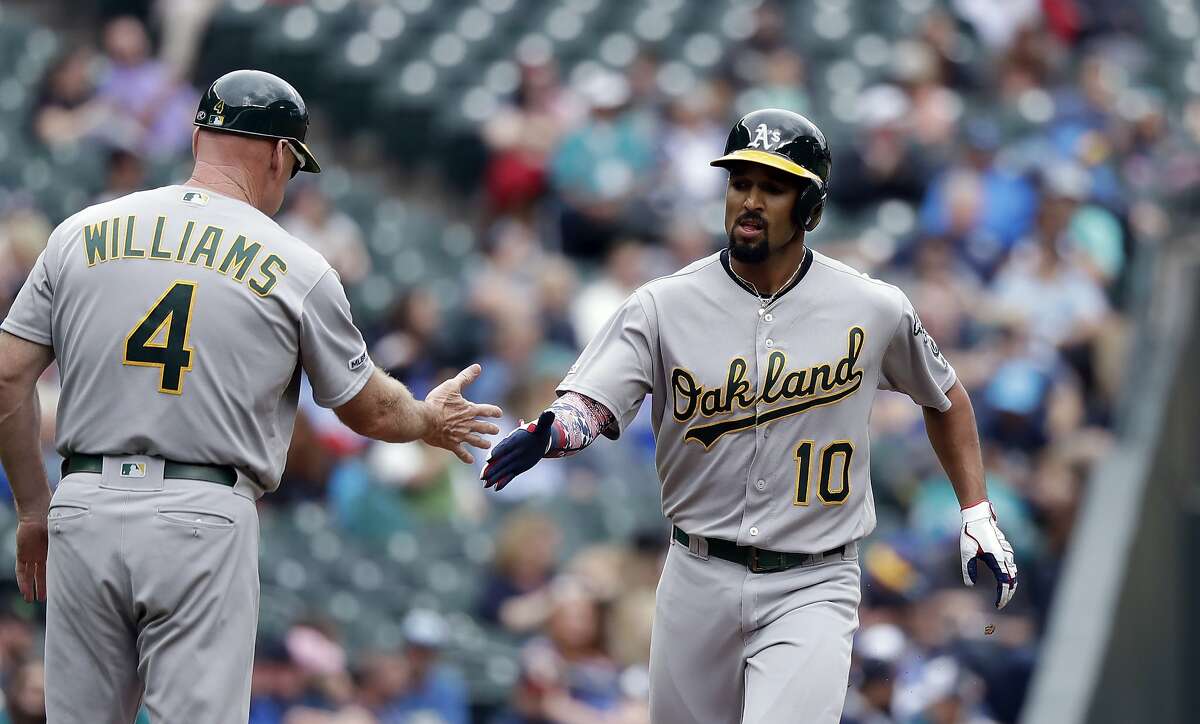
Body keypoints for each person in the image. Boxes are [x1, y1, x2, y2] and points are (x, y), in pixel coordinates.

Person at [480, 108, 1018, 723]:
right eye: (740, 182)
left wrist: (976, 512)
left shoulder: (873, 307)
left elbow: (944, 398)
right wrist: (554, 429)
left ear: (810, 208)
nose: (751, 200)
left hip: (813, 580)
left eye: (773, 186)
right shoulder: (664, 304)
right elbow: (592, 402)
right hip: (695, 573)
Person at [0, 69, 502, 723]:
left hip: (84, 503)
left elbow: (7, 377)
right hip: (200, 512)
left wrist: (35, 508)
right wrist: (427, 419)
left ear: (198, 136)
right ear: (278, 154)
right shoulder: (295, 263)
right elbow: (367, 407)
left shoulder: (80, 232)